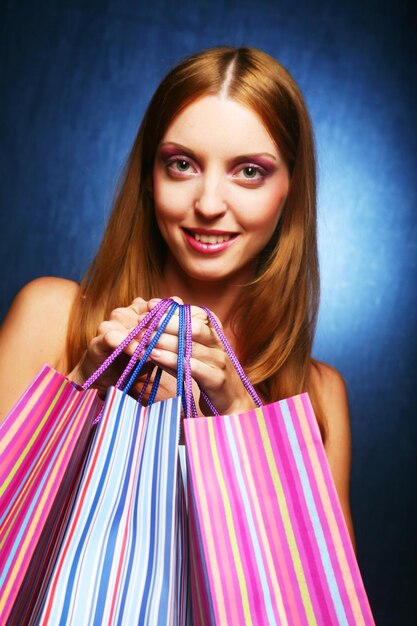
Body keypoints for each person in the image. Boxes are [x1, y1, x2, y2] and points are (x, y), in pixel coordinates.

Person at [0, 46, 355, 545]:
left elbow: (320, 602)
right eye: (182, 164)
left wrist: (238, 415)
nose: (209, 204)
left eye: (249, 171)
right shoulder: (52, 317)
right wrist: (84, 390)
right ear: (149, 177)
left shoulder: (316, 394)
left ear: (290, 191)